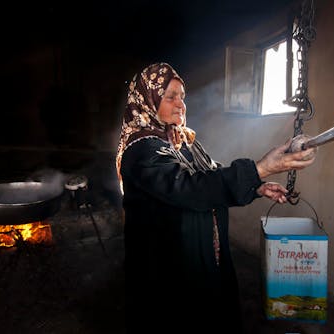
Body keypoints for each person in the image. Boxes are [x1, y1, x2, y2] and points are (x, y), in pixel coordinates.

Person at [115, 62, 316, 333]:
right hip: (168, 270)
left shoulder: (181, 140)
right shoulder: (140, 151)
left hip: (202, 258)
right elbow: (190, 187)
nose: (180, 105)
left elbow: (211, 174)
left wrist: (255, 185)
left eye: (182, 97)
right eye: (170, 96)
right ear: (147, 100)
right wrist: (260, 168)